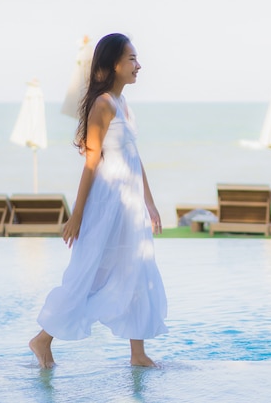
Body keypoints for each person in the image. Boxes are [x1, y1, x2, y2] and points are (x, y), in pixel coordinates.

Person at [29, 33, 168, 369]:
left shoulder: (124, 106)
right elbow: (91, 163)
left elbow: (134, 158)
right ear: (112, 65)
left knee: (137, 269)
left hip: (130, 206)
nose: (138, 65)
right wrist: (77, 215)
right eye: (132, 59)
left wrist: (149, 204)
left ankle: (138, 353)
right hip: (107, 206)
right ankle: (42, 339)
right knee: (90, 273)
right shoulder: (103, 105)